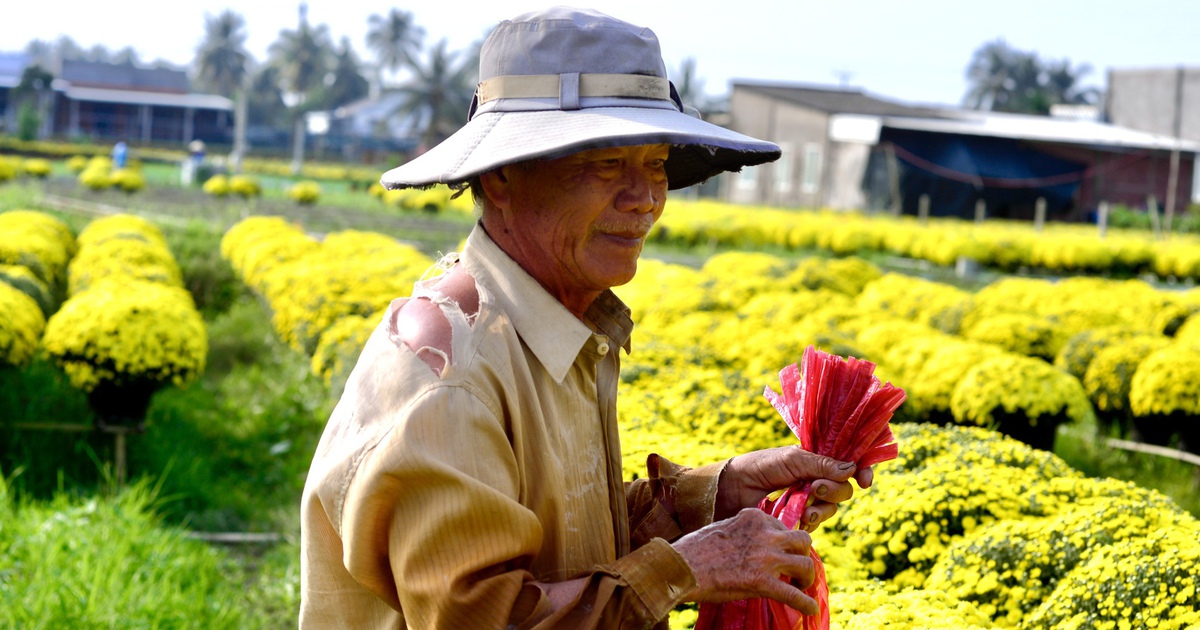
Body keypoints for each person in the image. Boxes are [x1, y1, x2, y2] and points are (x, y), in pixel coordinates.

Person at [300, 8, 873, 628]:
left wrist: (717, 495)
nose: (645, 199)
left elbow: (568, 540)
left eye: (656, 164)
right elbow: (489, 617)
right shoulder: (454, 380)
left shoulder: (557, 325)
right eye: (606, 164)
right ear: (502, 178)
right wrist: (685, 569)